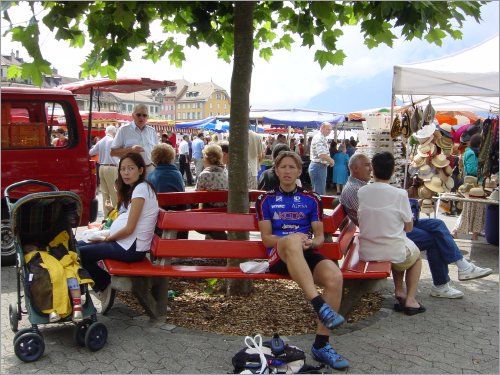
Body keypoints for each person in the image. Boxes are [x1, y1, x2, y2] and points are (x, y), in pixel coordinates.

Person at [340, 153, 492, 299]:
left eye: (370, 165)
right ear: (354, 168)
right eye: (367, 165)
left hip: (385, 229)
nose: (370, 169)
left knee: (437, 224)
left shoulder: (361, 188)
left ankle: (460, 267)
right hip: (385, 232)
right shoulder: (356, 190)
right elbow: (377, 218)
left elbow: (382, 208)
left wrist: (404, 201)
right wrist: (403, 207)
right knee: (434, 238)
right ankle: (444, 282)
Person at [256, 151, 349, 370]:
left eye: (292, 167)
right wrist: (292, 239)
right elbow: (267, 239)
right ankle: (319, 305)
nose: (287, 171)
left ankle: (321, 345)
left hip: (306, 253)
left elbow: (318, 236)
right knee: (290, 241)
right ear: (276, 171)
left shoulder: (312, 199)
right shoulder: (265, 199)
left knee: (335, 277)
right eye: (283, 167)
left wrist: (312, 243)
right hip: (280, 255)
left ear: (299, 171)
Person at [78, 153, 159, 314]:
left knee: (77, 253)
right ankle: (102, 285)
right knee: (76, 245)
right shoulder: (138, 188)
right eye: (123, 169)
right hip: (126, 243)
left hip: (130, 248)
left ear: (141, 170)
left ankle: (102, 286)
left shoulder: (141, 190)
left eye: (131, 168)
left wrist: (106, 238)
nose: (126, 173)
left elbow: (129, 228)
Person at [357, 152, 425, 315]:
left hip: (367, 250)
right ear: (393, 170)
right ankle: (410, 299)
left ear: (372, 169)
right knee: (414, 258)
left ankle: (399, 290)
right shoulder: (400, 194)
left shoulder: (362, 191)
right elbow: (408, 228)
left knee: (400, 249)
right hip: (392, 250)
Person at [110, 104, 158, 176]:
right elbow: (113, 152)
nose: (141, 117)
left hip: (150, 170)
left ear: (147, 117)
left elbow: (156, 152)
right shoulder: (124, 130)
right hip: (131, 171)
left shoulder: (152, 131)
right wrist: (131, 150)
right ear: (133, 115)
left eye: (144, 115)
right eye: (138, 115)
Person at [453, 134, 484, 240]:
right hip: (471, 186)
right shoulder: (471, 153)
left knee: (478, 210)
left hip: (475, 186)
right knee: (468, 210)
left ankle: (475, 235)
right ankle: (455, 230)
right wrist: (483, 171)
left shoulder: (472, 152)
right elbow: (471, 170)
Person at [195, 144, 228, 240]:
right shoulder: (226, 172)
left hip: (207, 214)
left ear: (205, 159)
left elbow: (196, 196)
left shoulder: (204, 175)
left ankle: (221, 237)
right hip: (224, 212)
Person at [89, 125, 119, 218]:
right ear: (114, 132)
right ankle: (116, 215)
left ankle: (106, 217)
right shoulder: (113, 141)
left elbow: (91, 152)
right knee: (114, 193)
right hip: (112, 168)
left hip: (101, 167)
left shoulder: (101, 141)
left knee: (105, 193)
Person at [308, 122, 335, 195]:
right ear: (322, 128)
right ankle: (318, 206)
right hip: (318, 166)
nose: (329, 131)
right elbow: (322, 154)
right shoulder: (319, 138)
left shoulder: (321, 137)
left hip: (318, 166)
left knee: (318, 192)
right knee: (319, 193)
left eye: (330, 130)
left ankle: (317, 206)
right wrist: (331, 161)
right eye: (328, 129)